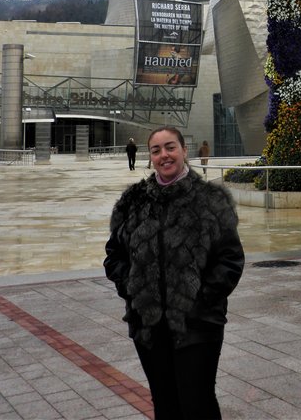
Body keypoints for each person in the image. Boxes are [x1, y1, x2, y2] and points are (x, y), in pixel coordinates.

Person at [104, 126, 244, 420]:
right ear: (150, 157)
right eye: (156, 150)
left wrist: (200, 301)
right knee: (165, 403)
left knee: (198, 403)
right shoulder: (133, 202)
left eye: (170, 147)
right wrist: (134, 290)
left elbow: (230, 260)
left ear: (183, 151)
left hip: (198, 326)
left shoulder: (210, 200)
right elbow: (114, 255)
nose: (164, 155)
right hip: (149, 327)